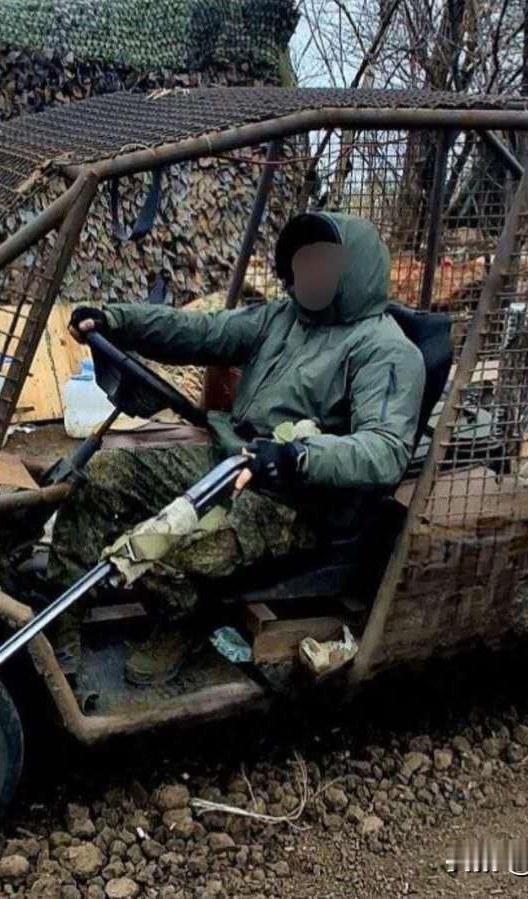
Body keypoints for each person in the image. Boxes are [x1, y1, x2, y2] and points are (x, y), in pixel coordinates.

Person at [48, 211, 425, 686]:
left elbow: (385, 450)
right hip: (231, 459)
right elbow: (203, 333)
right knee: (104, 474)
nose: (310, 273)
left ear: (354, 270)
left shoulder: (386, 351)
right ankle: (60, 626)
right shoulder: (284, 318)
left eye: (324, 263)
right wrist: (119, 320)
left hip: (295, 498)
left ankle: (184, 621)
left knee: (164, 551)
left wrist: (296, 457)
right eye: (304, 262)